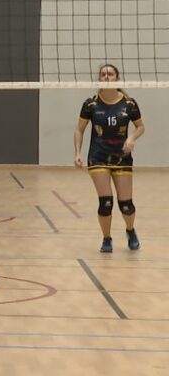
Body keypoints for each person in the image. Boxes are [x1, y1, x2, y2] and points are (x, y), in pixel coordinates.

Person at [73, 63, 144, 253]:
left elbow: (140, 127)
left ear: (117, 78)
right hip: (98, 157)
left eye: (110, 74)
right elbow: (79, 129)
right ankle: (106, 239)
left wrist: (131, 138)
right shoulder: (91, 104)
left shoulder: (129, 104)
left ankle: (130, 230)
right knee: (106, 202)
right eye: (103, 74)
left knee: (126, 205)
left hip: (122, 157)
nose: (106, 77)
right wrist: (78, 153)